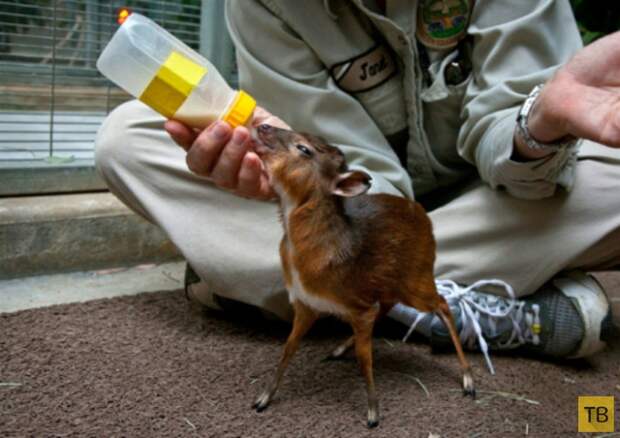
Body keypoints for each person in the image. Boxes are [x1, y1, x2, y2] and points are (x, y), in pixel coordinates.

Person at [95, 0, 617, 372]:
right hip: (359, 215)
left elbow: (518, 156)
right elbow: (354, 175)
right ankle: (445, 300)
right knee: (127, 139)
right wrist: (285, 187)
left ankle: (268, 288)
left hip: (495, 196)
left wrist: (538, 125)